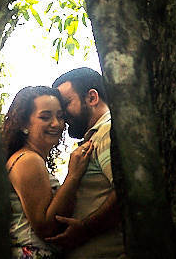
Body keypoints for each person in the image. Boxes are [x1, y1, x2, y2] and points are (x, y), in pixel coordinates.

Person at [2, 85, 96, 258]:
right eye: (45, 117)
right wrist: (73, 176)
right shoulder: (28, 160)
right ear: (24, 124)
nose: (56, 124)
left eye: (60, 117)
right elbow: (46, 227)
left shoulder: (30, 158)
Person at [48, 67, 125, 258]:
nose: (62, 116)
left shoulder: (107, 134)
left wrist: (85, 228)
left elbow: (127, 191)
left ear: (92, 98)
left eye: (66, 104)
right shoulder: (95, 138)